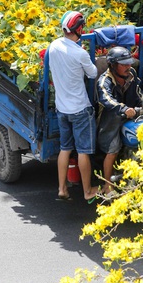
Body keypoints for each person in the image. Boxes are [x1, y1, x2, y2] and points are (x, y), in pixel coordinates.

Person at [48, 10, 101, 202]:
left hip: (62, 110)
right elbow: (93, 73)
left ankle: (62, 188)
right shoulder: (80, 53)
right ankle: (87, 191)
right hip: (80, 109)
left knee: (65, 148)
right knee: (84, 151)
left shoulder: (53, 46)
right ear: (78, 29)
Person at [96, 46, 143, 196]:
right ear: (112, 65)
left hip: (130, 115)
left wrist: (141, 108)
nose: (128, 67)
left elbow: (138, 94)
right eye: (123, 64)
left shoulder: (132, 74)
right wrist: (123, 109)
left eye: (129, 63)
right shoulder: (104, 81)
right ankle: (107, 185)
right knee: (113, 149)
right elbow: (107, 100)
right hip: (110, 120)